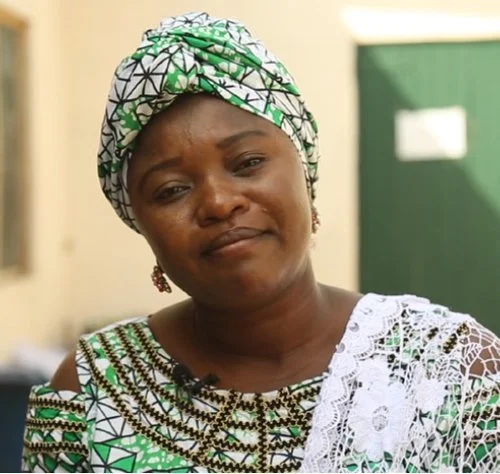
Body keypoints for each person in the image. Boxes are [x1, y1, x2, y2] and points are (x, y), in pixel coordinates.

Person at [22, 12, 498, 473]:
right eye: (171, 190)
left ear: (304, 171)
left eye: (247, 163)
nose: (218, 202)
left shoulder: (451, 370)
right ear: (141, 224)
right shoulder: (90, 394)